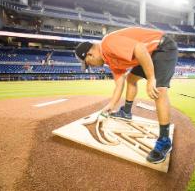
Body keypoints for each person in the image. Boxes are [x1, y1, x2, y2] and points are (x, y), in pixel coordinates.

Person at [75, 27, 178, 164]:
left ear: (90, 55)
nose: (91, 67)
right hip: (149, 52)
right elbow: (119, 83)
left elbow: (140, 48)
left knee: (158, 90)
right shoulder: (109, 59)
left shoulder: (108, 44)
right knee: (131, 79)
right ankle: (126, 112)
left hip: (162, 46)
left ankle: (164, 140)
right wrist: (111, 105)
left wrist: (151, 78)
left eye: (88, 64)